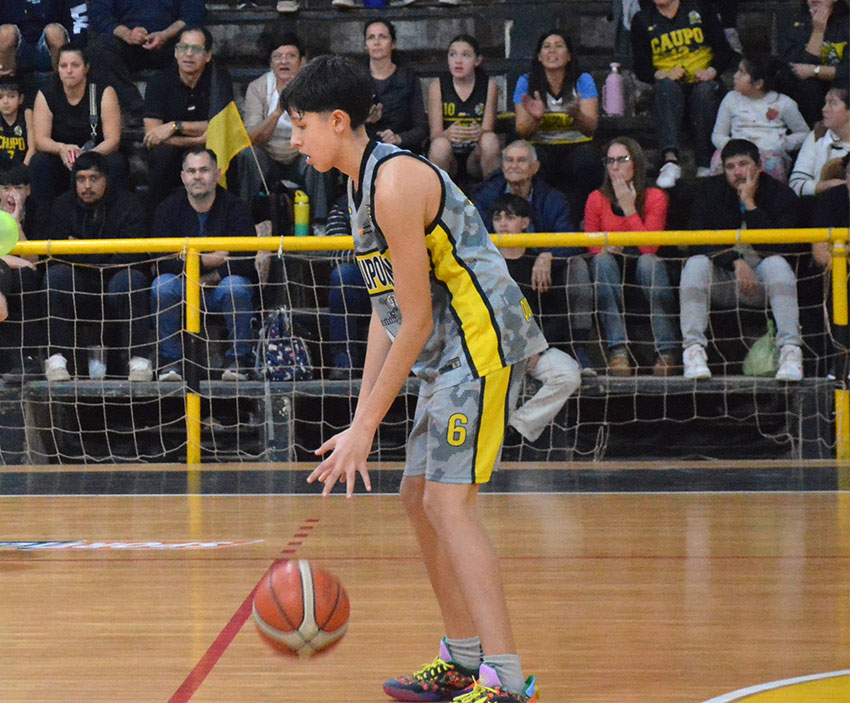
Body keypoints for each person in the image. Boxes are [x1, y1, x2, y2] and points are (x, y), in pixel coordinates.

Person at [281, 55, 542, 703]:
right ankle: (460, 658)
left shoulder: (394, 182)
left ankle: (506, 681)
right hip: (442, 350)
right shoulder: (354, 181)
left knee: (448, 504)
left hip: (479, 343)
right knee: (415, 497)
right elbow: (388, 307)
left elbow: (418, 318)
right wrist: (362, 409)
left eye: (300, 124)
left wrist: (367, 427)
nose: (293, 138)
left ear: (338, 121)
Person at [681, 138, 804, 381]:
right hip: (724, 279)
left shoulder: (780, 194)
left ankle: (790, 352)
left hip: (762, 282)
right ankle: (693, 352)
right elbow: (694, 239)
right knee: (696, 264)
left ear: (758, 166)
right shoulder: (709, 190)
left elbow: (785, 247)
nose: (737, 172)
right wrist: (735, 261)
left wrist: (750, 204)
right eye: (730, 166)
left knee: (777, 264)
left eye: (743, 164)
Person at [474, 139, 595, 373]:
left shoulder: (553, 199)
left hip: (546, 271)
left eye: (521, 160)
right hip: (500, 265)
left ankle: (578, 346)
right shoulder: (486, 196)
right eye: (509, 160)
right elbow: (473, 236)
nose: (514, 166)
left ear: (535, 168)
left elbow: (572, 240)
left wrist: (548, 254)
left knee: (578, 266)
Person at [41, 151, 152, 382]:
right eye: (81, 179)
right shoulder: (62, 205)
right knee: (56, 277)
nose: (87, 186)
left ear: (107, 179)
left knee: (131, 279)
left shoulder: (129, 205)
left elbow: (135, 256)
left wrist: (81, 252)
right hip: (79, 286)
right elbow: (55, 257)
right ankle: (57, 361)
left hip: (116, 284)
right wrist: (106, 253)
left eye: (94, 178)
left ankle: (139, 362)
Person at [150, 147, 257, 382]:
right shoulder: (168, 209)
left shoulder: (235, 207)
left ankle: (239, 360)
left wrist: (206, 275)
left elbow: (246, 261)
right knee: (162, 286)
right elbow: (162, 261)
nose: (197, 176)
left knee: (236, 286)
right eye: (191, 171)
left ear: (217, 174)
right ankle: (171, 362)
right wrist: (204, 260)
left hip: (218, 291)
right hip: (182, 289)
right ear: (182, 177)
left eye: (204, 170)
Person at [584, 137, 679, 376]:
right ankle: (618, 351)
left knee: (649, 263)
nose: (615, 166)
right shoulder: (596, 198)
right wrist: (605, 249)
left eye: (622, 160)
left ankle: (666, 351)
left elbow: (649, 248)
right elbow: (591, 246)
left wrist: (629, 208)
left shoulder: (655, 196)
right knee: (602, 260)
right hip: (612, 272)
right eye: (610, 160)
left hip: (646, 272)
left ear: (635, 162)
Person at [492, 194, 581, 443]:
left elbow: (558, 316)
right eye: (497, 218)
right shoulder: (485, 265)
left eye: (510, 217)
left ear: (525, 222)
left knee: (568, 373)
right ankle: (489, 435)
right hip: (494, 349)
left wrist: (536, 347)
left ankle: (516, 428)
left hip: (535, 349)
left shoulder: (539, 263)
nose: (502, 223)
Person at [231, 32, 335, 225]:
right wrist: (277, 112)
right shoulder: (259, 87)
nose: (283, 62)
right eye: (277, 57)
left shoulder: (315, 88)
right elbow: (251, 137)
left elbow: (323, 131)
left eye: (291, 56)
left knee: (321, 151)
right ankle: (245, 221)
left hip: (301, 155)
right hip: (268, 157)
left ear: (303, 61)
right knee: (247, 154)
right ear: (271, 63)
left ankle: (319, 222)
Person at [630, 0, 735, 186]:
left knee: (706, 91)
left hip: (703, 80)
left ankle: (705, 163)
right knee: (666, 88)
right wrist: (662, 74)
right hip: (669, 86)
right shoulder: (641, 19)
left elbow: (724, 51)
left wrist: (711, 71)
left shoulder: (701, 8)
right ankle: (670, 161)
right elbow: (641, 67)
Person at [513, 29, 603, 220]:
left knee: (587, 160)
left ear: (569, 56)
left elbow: (591, 127)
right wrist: (536, 118)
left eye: (559, 46)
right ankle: (538, 222)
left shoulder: (582, 81)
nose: (552, 51)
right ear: (539, 56)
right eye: (546, 47)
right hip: (542, 146)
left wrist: (577, 115)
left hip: (576, 146)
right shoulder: (526, 82)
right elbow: (522, 132)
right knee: (535, 162)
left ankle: (583, 220)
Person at [142, 25, 233, 214]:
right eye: (183, 48)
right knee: (162, 156)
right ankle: (156, 228)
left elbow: (219, 126)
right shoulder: (159, 81)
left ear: (208, 56)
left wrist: (174, 126)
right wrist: (195, 139)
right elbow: (153, 136)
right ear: (175, 52)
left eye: (196, 49)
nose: (188, 54)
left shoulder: (219, 79)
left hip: (210, 147)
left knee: (233, 157)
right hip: (173, 151)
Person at [30, 43, 127, 209]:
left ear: (86, 68)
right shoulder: (47, 93)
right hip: (62, 157)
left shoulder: (103, 91)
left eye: (75, 65)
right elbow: (40, 139)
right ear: (57, 69)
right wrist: (61, 148)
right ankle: (44, 227)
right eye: (63, 66)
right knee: (39, 162)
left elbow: (113, 140)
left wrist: (86, 156)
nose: (69, 71)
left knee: (116, 162)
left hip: (96, 154)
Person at [88, 0, 206, 123]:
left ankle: (180, 112)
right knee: (98, 50)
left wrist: (165, 35)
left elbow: (195, 12)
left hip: (170, 42)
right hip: (125, 43)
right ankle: (135, 108)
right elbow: (99, 13)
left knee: (193, 48)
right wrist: (126, 34)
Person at [710, 55, 809, 182]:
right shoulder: (731, 99)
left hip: (769, 151)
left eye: (742, 72)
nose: (735, 76)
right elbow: (718, 134)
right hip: (737, 150)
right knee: (720, 159)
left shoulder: (783, 103)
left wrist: (783, 143)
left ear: (758, 83)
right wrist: (732, 146)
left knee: (771, 164)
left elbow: (803, 133)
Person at [427, 34, 500, 181]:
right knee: (439, 145)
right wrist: (448, 134)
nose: (458, 61)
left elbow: (488, 130)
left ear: (477, 60)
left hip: (475, 157)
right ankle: (437, 199)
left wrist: (477, 132)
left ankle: (494, 197)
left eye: (466, 55)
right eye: (453, 55)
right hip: (450, 156)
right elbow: (435, 134)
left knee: (490, 140)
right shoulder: (437, 86)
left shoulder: (488, 86)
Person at [0, 164, 43, 382]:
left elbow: (32, 263)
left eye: (17, 187)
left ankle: (27, 358)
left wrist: (16, 223)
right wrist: (10, 260)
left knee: (24, 278)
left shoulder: (39, 213)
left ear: (28, 190)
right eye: (5, 188)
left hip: (30, 280)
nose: (11, 194)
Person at [780, 0, 849, 127]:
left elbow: (847, 70)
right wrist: (818, 31)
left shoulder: (846, 23)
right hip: (811, 93)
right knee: (807, 86)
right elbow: (797, 69)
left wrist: (815, 71)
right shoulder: (796, 22)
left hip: (841, 86)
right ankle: (813, 136)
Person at [363, 19, 428, 154]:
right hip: (364, 149)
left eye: (383, 37)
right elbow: (344, 124)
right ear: (365, 45)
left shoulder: (408, 78)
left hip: (402, 151)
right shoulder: (357, 79)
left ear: (393, 44)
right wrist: (365, 120)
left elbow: (421, 128)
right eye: (371, 37)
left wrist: (398, 138)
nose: (376, 42)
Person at [789, 87, 850, 199]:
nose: (824, 109)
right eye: (825, 103)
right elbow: (795, 185)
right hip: (821, 206)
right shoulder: (817, 136)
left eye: (833, 103)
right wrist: (827, 185)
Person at [0, 0, 74, 77]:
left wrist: (77, 48)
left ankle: (61, 81)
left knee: (55, 32)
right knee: (5, 33)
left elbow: (75, 21)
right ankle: (6, 83)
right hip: (14, 52)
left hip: (50, 50)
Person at [0, 77, 35, 169]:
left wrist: (22, 171)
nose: (5, 102)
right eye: (0, 97)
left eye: (11, 96)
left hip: (24, 167)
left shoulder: (27, 114)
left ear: (21, 99)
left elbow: (32, 148)